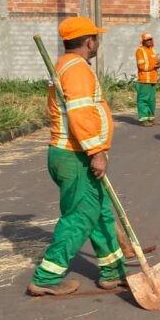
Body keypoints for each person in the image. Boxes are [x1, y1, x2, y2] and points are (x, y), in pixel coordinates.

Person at [27, 16, 126, 296]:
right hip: (75, 154)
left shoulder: (67, 65)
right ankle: (46, 278)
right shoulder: (77, 70)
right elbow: (81, 114)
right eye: (97, 38)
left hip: (72, 153)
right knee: (80, 216)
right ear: (89, 41)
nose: (98, 42)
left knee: (100, 212)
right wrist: (96, 151)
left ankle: (112, 270)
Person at [134, 33, 160, 126]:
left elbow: (155, 62)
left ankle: (151, 118)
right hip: (144, 80)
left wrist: (159, 63)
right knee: (143, 99)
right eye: (147, 40)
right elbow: (142, 66)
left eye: (150, 39)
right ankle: (143, 119)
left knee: (151, 100)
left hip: (153, 79)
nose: (149, 41)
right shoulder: (140, 51)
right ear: (143, 41)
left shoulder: (152, 50)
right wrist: (154, 66)